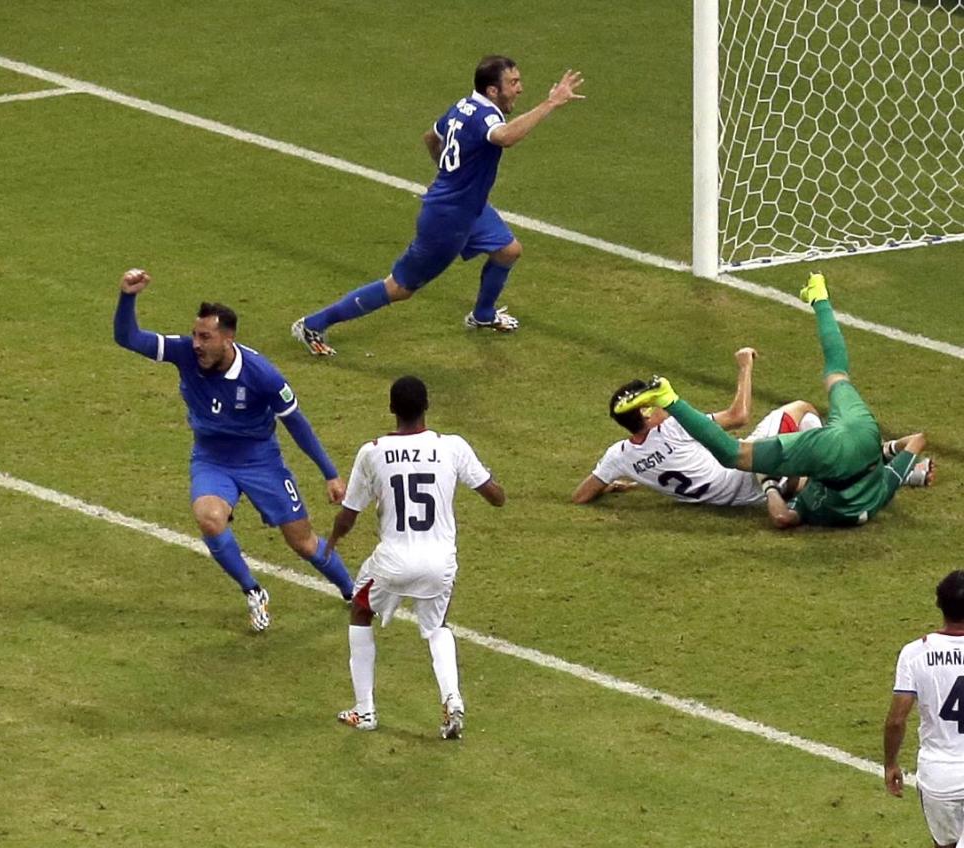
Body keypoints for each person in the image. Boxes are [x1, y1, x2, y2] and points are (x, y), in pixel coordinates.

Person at [291, 56, 585, 356]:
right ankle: (312, 324)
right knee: (399, 287)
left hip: (469, 207)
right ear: (492, 90)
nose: (520, 89)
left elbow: (432, 137)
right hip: (447, 219)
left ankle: (482, 315)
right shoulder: (485, 116)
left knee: (508, 251)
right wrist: (551, 103)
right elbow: (506, 137)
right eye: (513, 83)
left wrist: (448, 175)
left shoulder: (464, 106)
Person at [114, 268, 354, 631]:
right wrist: (127, 296)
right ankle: (253, 590)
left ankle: (353, 591)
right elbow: (128, 337)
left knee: (303, 543)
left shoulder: (261, 374)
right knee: (209, 517)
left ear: (228, 339)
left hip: (261, 461)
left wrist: (330, 473)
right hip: (212, 459)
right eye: (195, 334)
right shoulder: (184, 353)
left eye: (205, 337)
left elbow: (296, 423)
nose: (196, 344)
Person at [613, 273, 935, 528]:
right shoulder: (830, 506)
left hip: (860, 433)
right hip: (839, 451)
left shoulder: (859, 497)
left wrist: (885, 451)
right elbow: (784, 515)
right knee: (751, 446)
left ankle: (820, 297)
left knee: (835, 373)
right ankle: (670, 398)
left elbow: (917, 440)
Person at [324, 376, 505, 738]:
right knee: (437, 626)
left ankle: (365, 710)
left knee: (360, 610)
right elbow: (496, 497)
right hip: (440, 562)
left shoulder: (373, 452)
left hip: (393, 561)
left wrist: (332, 541)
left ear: (391, 408)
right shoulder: (452, 447)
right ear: (427, 407)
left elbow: (349, 515)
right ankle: (452, 700)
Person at [574, 346, 828, 511]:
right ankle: (828, 477)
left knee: (798, 439)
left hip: (729, 499)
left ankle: (801, 484)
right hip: (745, 476)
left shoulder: (619, 456)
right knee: (801, 409)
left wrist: (609, 484)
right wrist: (745, 367)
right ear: (645, 411)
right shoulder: (674, 429)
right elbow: (738, 416)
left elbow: (581, 496)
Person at [884, 570, 964, 847]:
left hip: (939, 777)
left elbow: (897, 720)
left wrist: (891, 763)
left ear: (939, 604)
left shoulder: (915, 653)